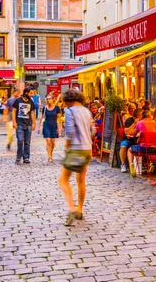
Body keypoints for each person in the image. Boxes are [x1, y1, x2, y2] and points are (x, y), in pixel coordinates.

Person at [58, 89, 94, 226]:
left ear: (68, 100)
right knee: (81, 180)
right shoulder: (87, 111)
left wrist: (67, 148)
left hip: (76, 148)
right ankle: (80, 209)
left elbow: (70, 132)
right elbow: (93, 131)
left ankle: (71, 208)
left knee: (63, 180)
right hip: (87, 148)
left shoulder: (70, 111)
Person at [128, 110, 156, 177]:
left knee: (129, 149)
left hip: (144, 148)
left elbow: (134, 134)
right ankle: (150, 164)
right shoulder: (154, 122)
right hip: (155, 148)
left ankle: (131, 164)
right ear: (149, 116)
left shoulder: (139, 123)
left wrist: (139, 134)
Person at [12, 87, 36, 164]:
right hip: (19, 124)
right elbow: (13, 111)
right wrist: (14, 122)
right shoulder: (18, 100)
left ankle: (26, 157)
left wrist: (34, 123)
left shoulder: (31, 101)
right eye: (31, 93)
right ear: (26, 93)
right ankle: (18, 157)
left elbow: (32, 113)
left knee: (27, 142)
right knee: (20, 140)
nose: (32, 95)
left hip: (28, 124)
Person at [39, 94, 62, 162]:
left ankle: (50, 153)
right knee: (48, 141)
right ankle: (49, 157)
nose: (48, 100)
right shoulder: (45, 108)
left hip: (54, 126)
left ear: (53, 99)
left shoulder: (57, 108)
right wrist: (40, 126)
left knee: (53, 142)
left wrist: (59, 128)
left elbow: (59, 119)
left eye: (49, 99)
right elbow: (42, 117)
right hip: (46, 125)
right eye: (47, 99)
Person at [119, 108, 142, 173]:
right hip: (128, 139)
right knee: (123, 147)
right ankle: (123, 164)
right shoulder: (129, 120)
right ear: (138, 115)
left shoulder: (143, 121)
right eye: (142, 115)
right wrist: (134, 123)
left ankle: (141, 166)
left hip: (138, 140)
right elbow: (127, 132)